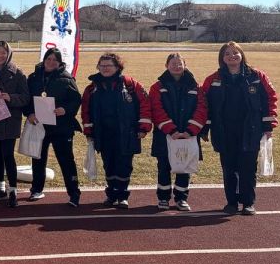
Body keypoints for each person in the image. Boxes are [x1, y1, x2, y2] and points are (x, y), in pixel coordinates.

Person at [201, 41, 278, 215]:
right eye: (227, 53)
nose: (232, 56)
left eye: (235, 53)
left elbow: (270, 99)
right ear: (222, 58)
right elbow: (204, 104)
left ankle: (248, 203)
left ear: (242, 55)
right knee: (229, 167)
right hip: (224, 130)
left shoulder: (257, 76)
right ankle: (232, 203)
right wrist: (204, 128)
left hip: (250, 130)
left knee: (247, 167)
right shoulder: (213, 79)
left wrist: (268, 125)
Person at [81, 52, 152, 209]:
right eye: (102, 65)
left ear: (118, 67)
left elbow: (145, 105)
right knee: (109, 165)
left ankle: (122, 195)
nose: (105, 68)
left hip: (127, 133)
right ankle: (111, 194)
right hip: (103, 134)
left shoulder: (130, 84)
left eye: (109, 65)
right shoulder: (91, 88)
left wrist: (143, 127)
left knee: (124, 165)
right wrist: (89, 131)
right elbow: (85, 111)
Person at [24, 48, 83, 208]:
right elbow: (26, 99)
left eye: (54, 60)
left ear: (59, 62)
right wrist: (29, 113)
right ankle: (36, 189)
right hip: (39, 126)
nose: (51, 62)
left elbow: (76, 100)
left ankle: (74, 193)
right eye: (48, 59)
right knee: (37, 158)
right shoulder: (34, 78)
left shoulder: (67, 79)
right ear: (44, 60)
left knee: (66, 161)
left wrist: (65, 110)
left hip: (61, 127)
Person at [148, 53, 208, 211]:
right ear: (166, 65)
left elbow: (202, 109)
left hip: (189, 135)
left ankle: (181, 198)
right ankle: (163, 198)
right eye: (173, 63)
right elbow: (156, 110)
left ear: (185, 65)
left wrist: (190, 130)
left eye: (179, 63)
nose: (176, 66)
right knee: (164, 167)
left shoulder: (196, 86)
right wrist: (171, 130)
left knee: (185, 167)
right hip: (164, 135)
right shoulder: (157, 87)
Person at [0, 41, 31, 208]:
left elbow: (26, 97)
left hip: (10, 121)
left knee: (8, 155)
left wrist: (11, 98)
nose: (0, 56)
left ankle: (13, 190)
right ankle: (0, 186)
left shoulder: (18, 73)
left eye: (3, 53)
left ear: (8, 54)